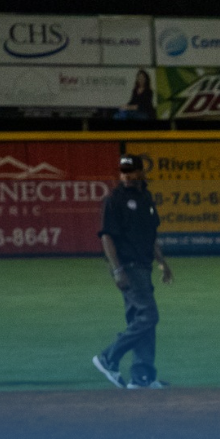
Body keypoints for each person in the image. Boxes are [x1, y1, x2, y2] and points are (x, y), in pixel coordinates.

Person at [93, 154, 172, 390]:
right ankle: (108, 358)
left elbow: (151, 235)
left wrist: (162, 263)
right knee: (149, 316)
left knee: (141, 321)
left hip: (144, 266)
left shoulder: (145, 198)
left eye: (131, 171)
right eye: (123, 172)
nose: (126, 176)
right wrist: (117, 269)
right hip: (128, 266)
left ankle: (141, 378)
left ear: (141, 172)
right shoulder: (114, 200)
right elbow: (106, 236)